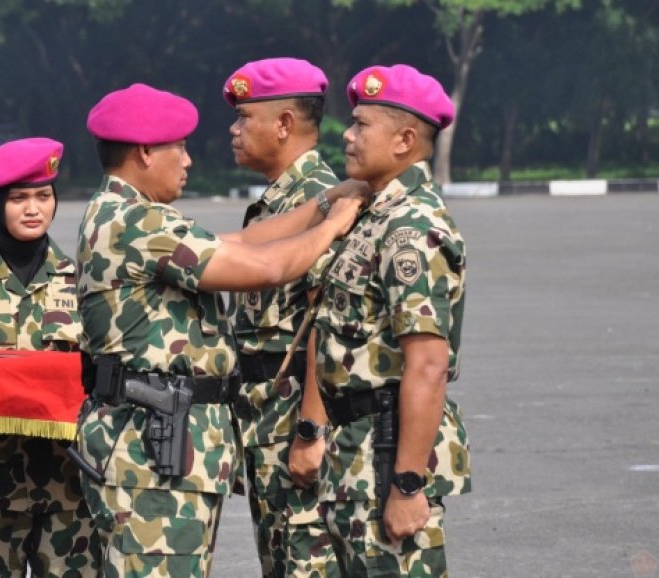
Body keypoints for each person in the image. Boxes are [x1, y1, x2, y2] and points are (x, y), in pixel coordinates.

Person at [73, 83, 365, 578]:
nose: (188, 161)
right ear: (145, 152)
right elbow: (265, 267)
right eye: (179, 148)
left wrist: (323, 203)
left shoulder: (125, 215)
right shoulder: (139, 223)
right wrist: (333, 226)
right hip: (153, 449)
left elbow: (241, 240)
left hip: (155, 442)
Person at [289, 64, 471, 576]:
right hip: (353, 454)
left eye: (362, 124)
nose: (346, 135)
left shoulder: (411, 228)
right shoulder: (371, 213)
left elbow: (428, 366)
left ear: (405, 140)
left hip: (387, 453)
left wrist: (408, 485)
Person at [0, 137, 99, 577]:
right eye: (18, 198)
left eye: (43, 196)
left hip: (70, 488)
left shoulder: (85, 283)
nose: (33, 208)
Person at [223, 57, 340, 577]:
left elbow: (327, 324)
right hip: (268, 425)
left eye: (245, 117)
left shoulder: (321, 200)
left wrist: (312, 431)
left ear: (285, 124)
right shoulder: (279, 202)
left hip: (296, 424)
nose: (234, 128)